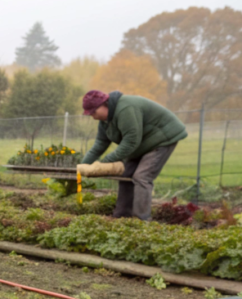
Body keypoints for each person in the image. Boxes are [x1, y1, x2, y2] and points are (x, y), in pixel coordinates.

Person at [79, 90, 187, 220]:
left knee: (142, 177)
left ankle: (141, 220)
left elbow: (130, 142)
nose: (92, 116)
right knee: (125, 174)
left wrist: (104, 163)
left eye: (93, 112)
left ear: (104, 104)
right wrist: (82, 166)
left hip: (162, 138)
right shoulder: (105, 120)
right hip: (143, 142)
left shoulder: (125, 109)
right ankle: (121, 216)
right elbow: (100, 144)